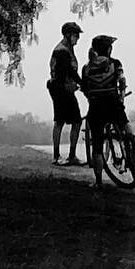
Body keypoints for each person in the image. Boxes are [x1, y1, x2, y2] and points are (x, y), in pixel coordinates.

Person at [79, 33, 131, 189]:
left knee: (97, 145)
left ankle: (98, 181)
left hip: (96, 107)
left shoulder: (86, 68)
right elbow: (122, 80)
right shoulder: (115, 63)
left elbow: (85, 89)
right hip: (113, 103)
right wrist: (121, 96)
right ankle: (133, 147)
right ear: (108, 50)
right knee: (125, 124)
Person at [47, 21, 84, 165]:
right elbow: (69, 71)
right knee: (62, 121)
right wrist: (81, 84)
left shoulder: (67, 48)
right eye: (76, 35)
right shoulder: (62, 50)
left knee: (73, 121)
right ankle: (58, 156)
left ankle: (70, 155)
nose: (78, 38)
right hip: (61, 89)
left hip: (64, 88)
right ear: (68, 35)